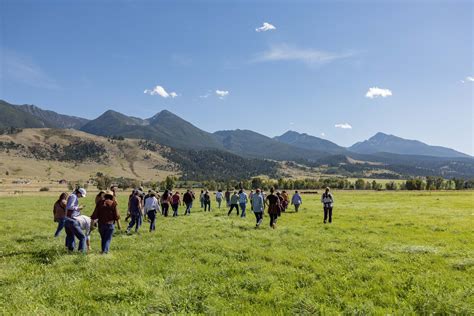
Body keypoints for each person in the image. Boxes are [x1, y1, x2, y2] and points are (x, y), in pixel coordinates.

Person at [65, 188, 87, 252]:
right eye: (81, 195)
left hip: (68, 219)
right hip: (72, 219)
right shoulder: (73, 197)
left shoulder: (72, 196)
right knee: (82, 237)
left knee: (70, 235)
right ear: (79, 193)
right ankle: (81, 252)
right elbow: (69, 207)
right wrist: (78, 208)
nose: (81, 197)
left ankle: (70, 250)